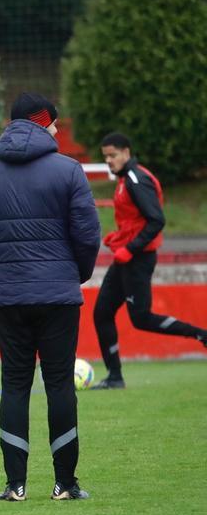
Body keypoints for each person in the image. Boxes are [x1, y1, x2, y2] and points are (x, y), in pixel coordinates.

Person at [0, 93, 101, 502]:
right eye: (55, 123)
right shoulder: (68, 170)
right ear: (43, 122)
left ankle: (15, 485)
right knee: (60, 384)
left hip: (10, 297)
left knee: (15, 384)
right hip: (59, 295)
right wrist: (74, 274)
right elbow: (88, 234)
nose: (58, 130)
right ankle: (65, 484)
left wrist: (4, 273)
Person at [92, 132, 207, 388]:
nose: (109, 161)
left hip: (138, 259)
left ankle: (201, 334)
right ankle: (114, 377)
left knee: (141, 318)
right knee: (102, 313)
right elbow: (136, 221)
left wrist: (130, 248)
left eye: (112, 155)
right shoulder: (124, 180)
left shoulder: (136, 179)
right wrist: (119, 237)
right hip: (126, 258)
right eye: (105, 157)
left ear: (126, 152)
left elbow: (156, 220)